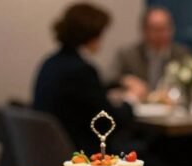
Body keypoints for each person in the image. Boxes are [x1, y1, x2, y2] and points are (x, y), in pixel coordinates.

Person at [33, 3, 136, 154]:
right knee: (150, 158)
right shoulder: (81, 70)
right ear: (92, 36)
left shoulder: (51, 63)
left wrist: (117, 85)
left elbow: (88, 96)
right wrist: (131, 101)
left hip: (51, 150)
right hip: (82, 153)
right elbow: (108, 122)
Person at [112, 7, 191, 101]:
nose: (162, 34)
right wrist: (127, 80)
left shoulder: (181, 54)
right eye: (156, 29)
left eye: (166, 28)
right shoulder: (129, 54)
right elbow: (111, 78)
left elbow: (191, 84)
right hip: (139, 106)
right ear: (144, 30)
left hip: (171, 105)